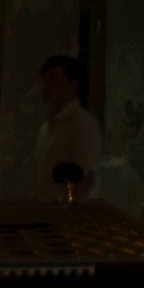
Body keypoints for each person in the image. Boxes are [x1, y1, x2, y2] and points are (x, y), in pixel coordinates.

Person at [35, 54, 102, 200]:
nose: (46, 87)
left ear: (73, 85)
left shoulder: (82, 124)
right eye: (44, 81)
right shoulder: (47, 127)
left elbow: (89, 178)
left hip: (69, 210)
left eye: (54, 79)